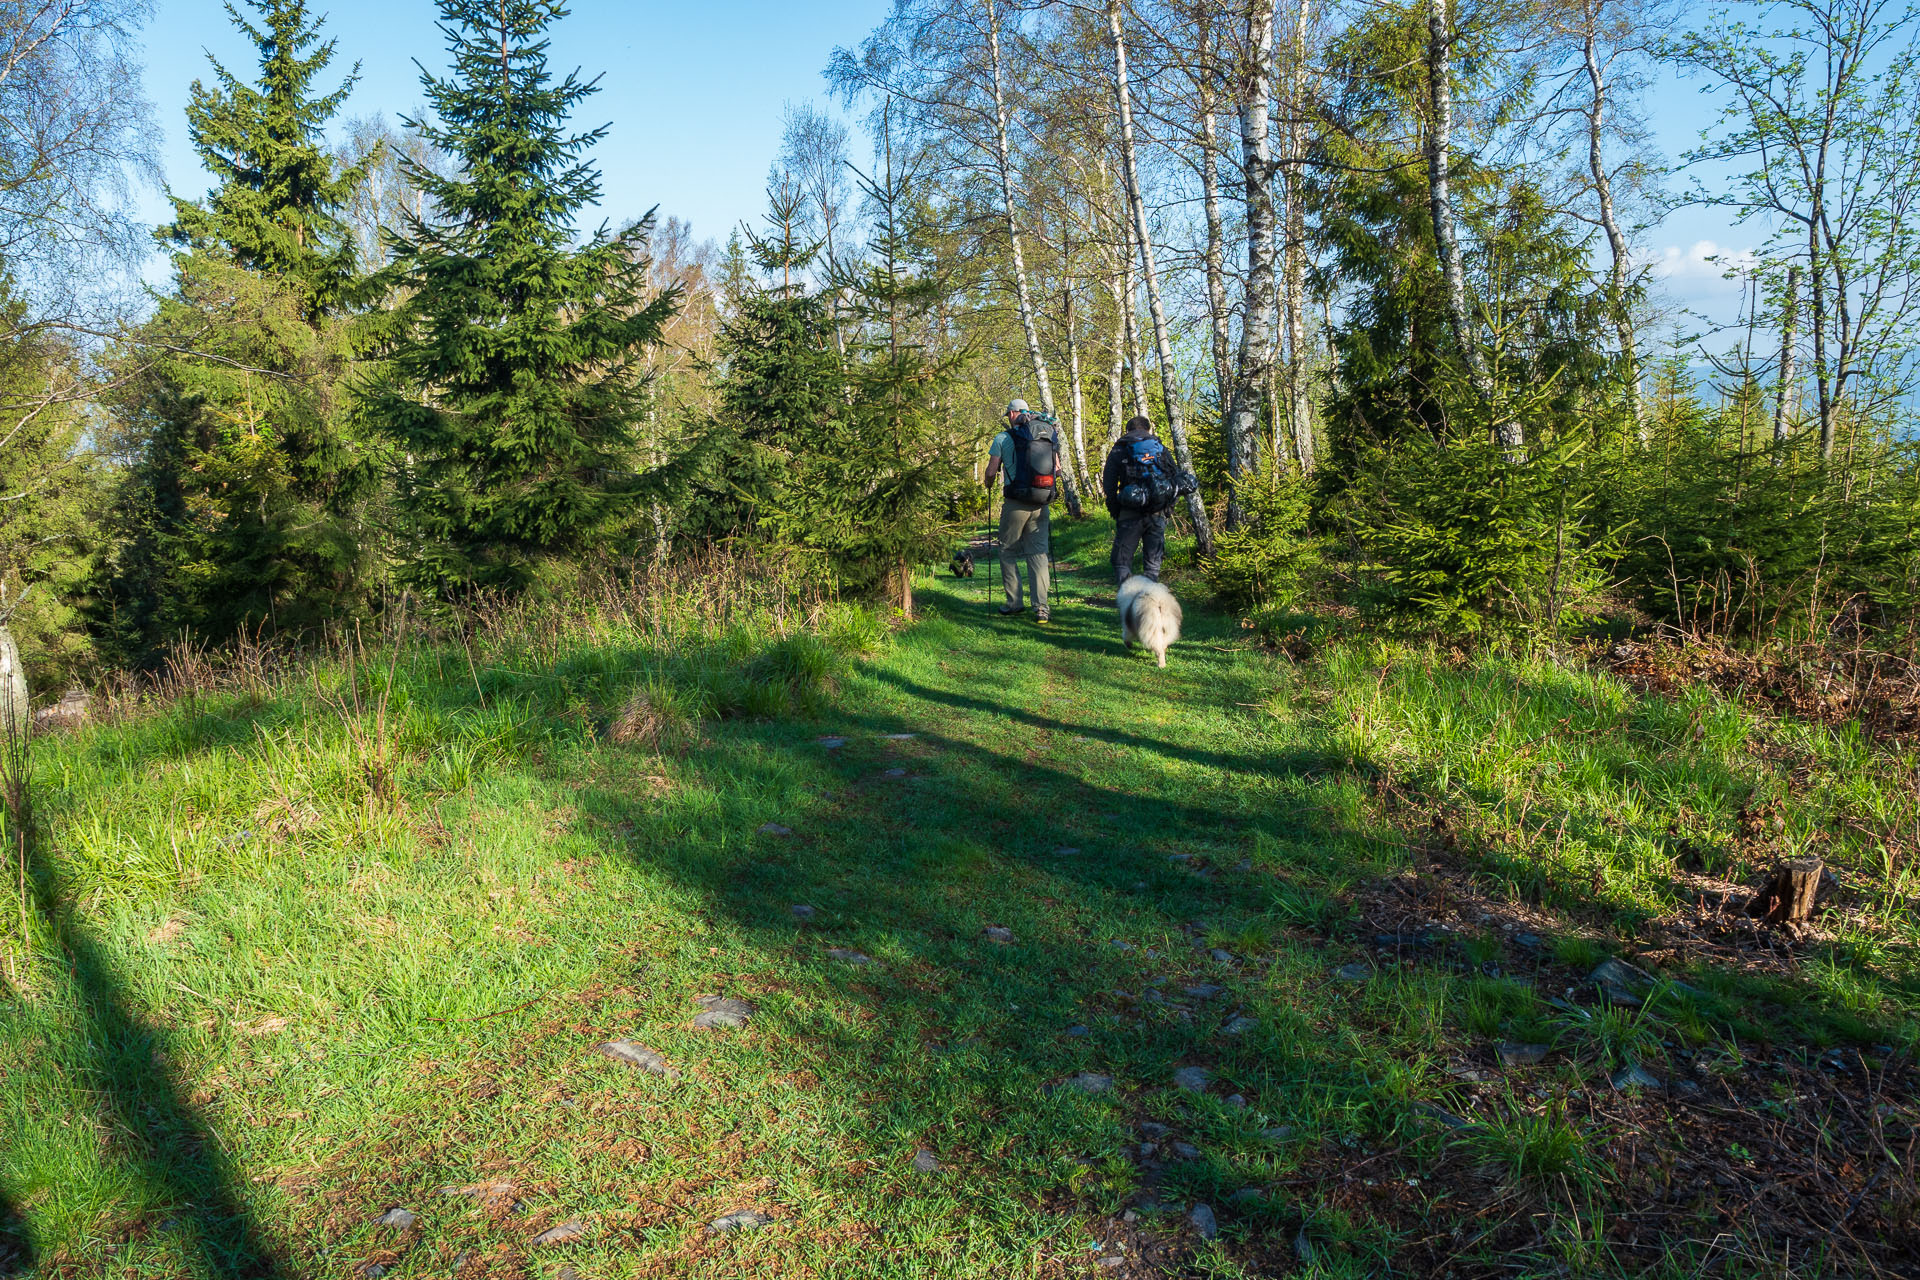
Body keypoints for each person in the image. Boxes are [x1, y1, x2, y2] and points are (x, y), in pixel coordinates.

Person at [983, 398, 1055, 623]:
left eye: (1008, 415)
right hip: (1041, 501)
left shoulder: (1003, 438)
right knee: (1038, 553)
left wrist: (988, 483)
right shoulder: (1045, 434)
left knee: (1007, 550)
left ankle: (1014, 603)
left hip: (1016, 502)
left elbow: (992, 470)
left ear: (1013, 414)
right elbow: (1058, 468)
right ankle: (1041, 607)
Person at [1102, 415, 1177, 584]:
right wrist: (1168, 508)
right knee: (1152, 563)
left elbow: (1109, 483)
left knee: (1121, 560)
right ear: (1148, 429)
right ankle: (1148, 604)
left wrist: (1115, 509)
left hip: (1129, 512)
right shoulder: (1160, 448)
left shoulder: (1120, 448)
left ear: (1128, 430)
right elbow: (1174, 479)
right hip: (1157, 511)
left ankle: (1128, 600)